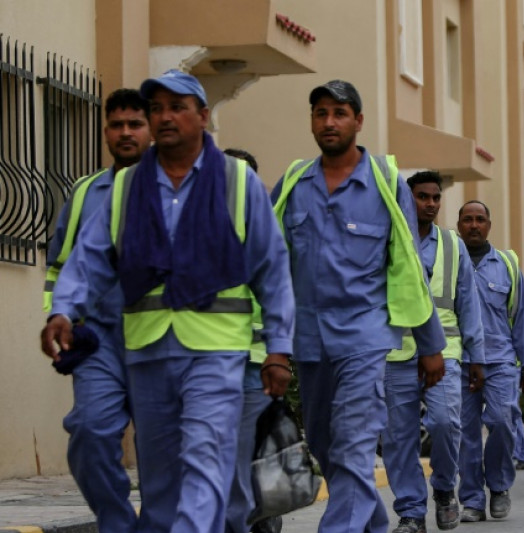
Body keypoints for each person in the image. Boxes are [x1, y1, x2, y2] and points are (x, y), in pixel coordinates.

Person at [41, 70, 296, 533]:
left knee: (205, 457)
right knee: (160, 483)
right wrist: (64, 309)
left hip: (216, 351)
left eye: (177, 107)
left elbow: (272, 270)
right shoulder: (126, 187)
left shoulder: (237, 182)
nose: (164, 117)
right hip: (147, 351)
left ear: (203, 116)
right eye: (156, 108)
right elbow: (89, 258)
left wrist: (277, 348)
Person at [271, 79, 447, 533]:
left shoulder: (386, 185)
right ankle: (373, 523)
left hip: (364, 338)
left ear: (358, 121)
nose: (329, 122)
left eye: (340, 113)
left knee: (352, 444)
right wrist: (269, 344)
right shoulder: (293, 182)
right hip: (308, 339)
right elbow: (270, 265)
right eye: (320, 113)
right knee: (326, 444)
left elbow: (409, 265)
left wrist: (429, 345)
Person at [41, 88, 150, 533]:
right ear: (105, 131)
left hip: (160, 338)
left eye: (134, 124)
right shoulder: (86, 192)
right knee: (88, 430)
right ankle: (118, 523)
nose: (125, 133)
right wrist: (60, 317)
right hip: (100, 341)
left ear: (151, 129)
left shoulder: (173, 186)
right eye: (116, 125)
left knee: (163, 450)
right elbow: (62, 265)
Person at [382, 171, 485, 533]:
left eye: (435, 198)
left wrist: (477, 357)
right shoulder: (390, 237)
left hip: (445, 351)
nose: (430, 204)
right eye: (422, 197)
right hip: (396, 351)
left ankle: (443, 489)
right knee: (398, 438)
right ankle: (411, 512)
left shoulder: (453, 244)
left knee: (444, 422)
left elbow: (468, 305)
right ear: (408, 198)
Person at [456, 200, 524, 521]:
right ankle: (473, 500)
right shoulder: (449, 262)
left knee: (504, 423)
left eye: (480, 219)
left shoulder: (506, 265)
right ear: (459, 224)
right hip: (460, 361)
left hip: (501, 361)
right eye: (467, 220)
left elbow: (522, 317)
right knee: (464, 432)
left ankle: (500, 487)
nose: (474, 225)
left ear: (489, 225)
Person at [221, 148, 282, 533]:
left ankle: (257, 521)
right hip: (214, 359)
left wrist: (278, 355)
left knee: (248, 453)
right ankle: (258, 520)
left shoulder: (269, 232)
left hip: (257, 364)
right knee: (233, 455)